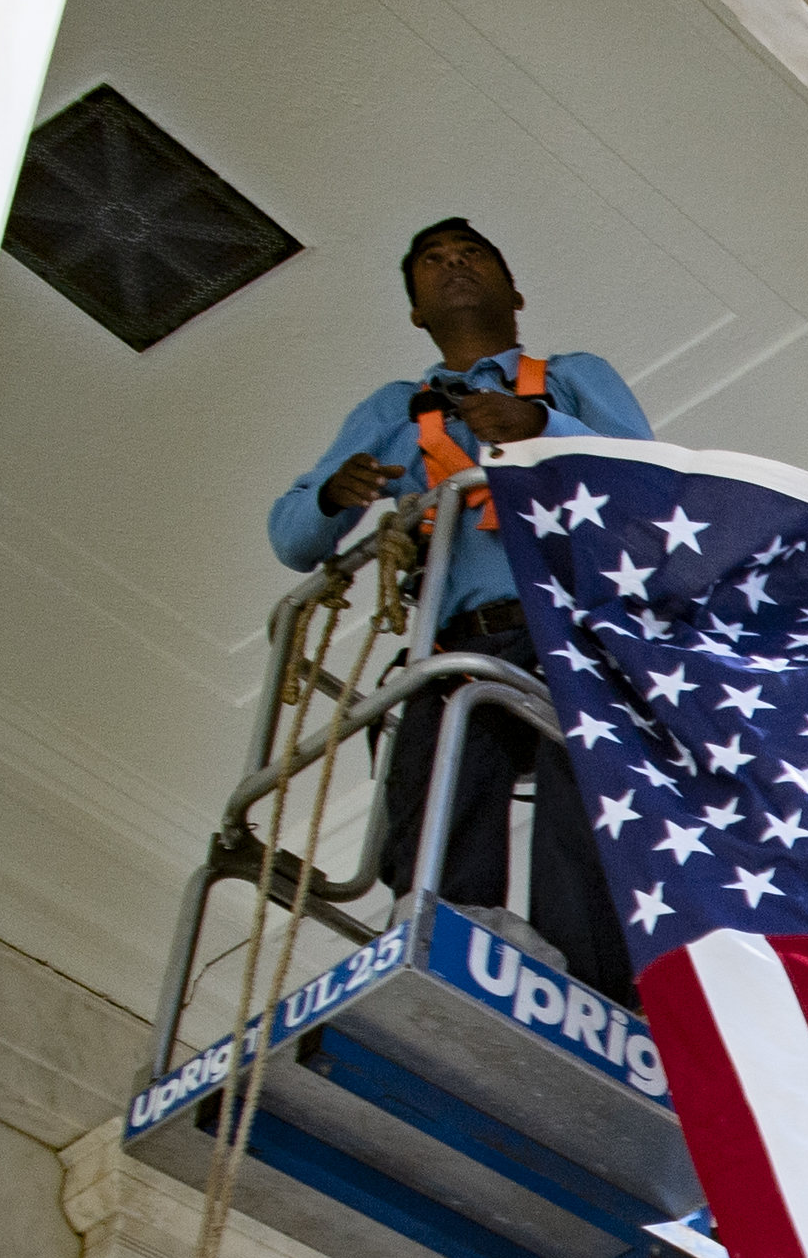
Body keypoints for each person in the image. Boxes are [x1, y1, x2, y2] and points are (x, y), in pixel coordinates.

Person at [266, 217, 651, 994]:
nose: (454, 266)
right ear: (415, 311)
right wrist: (338, 495)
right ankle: (450, 942)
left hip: (568, 624)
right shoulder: (397, 407)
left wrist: (542, 425)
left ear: (514, 291)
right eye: (432, 262)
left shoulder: (572, 374)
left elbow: (645, 476)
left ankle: (586, 972)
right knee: (436, 763)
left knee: (579, 777)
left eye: (472, 254)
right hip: (458, 634)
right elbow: (291, 532)